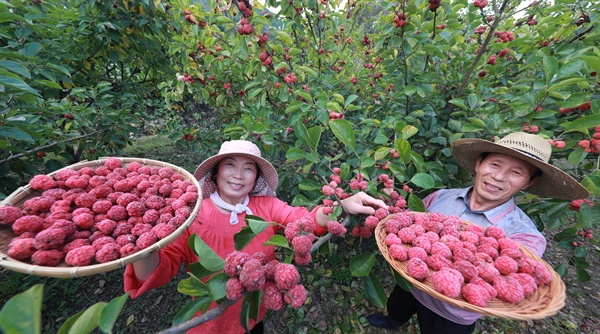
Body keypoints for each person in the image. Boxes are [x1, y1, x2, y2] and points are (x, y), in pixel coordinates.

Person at [124, 140, 388, 333]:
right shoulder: (192, 213)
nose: (238, 175)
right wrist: (142, 247)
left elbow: (302, 220)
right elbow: (162, 266)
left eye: (248, 168)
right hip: (209, 321)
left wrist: (341, 205)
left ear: (256, 177)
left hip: (253, 309)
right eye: (230, 165)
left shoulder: (266, 207)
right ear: (216, 172)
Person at [367, 132, 589, 334]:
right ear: (479, 163)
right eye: (494, 164)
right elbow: (410, 223)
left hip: (452, 314)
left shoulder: (525, 237)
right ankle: (393, 320)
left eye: (516, 172)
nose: (499, 177)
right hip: (411, 285)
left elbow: (504, 282)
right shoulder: (442, 196)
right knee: (397, 306)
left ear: (530, 182)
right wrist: (390, 205)